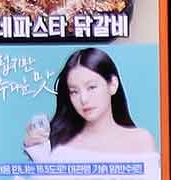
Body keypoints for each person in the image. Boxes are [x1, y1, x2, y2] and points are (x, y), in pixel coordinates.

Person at [23, 48, 157, 176]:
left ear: (112, 85)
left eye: (91, 87)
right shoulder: (58, 143)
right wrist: (37, 153)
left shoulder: (139, 140)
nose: (83, 99)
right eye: (74, 91)